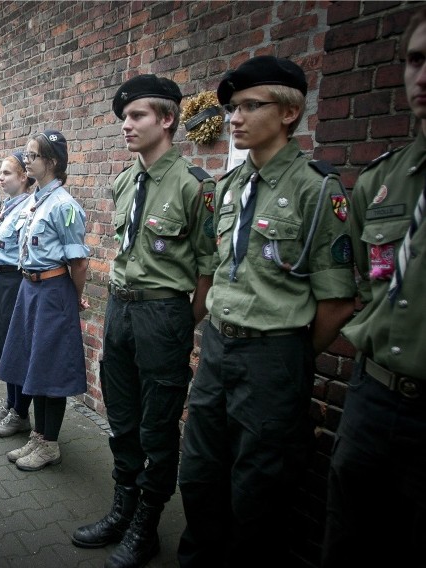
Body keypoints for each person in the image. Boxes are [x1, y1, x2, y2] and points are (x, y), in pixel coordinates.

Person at [177, 57, 357, 567]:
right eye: (232, 107)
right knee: (199, 471)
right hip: (217, 345)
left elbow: (338, 300)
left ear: (289, 112)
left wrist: (287, 349)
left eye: (250, 106)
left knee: (259, 487)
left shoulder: (317, 189)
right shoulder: (229, 186)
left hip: (274, 356)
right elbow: (216, 267)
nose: (235, 117)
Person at [72, 75, 216, 567]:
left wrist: (176, 320)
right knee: (123, 419)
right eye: (124, 118)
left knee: (158, 427)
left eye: (137, 116)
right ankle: (122, 507)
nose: (126, 125)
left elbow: (206, 272)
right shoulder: (126, 179)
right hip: (121, 308)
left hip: (162, 313)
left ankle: (146, 525)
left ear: (168, 119)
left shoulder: (195, 187)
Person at [322, 10, 426, 567]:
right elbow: (365, 277)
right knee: (350, 540)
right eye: (415, 59)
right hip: (374, 395)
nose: (422, 76)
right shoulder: (379, 182)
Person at [0, 130, 90, 472]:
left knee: (50, 369)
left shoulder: (64, 205)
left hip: (53, 291)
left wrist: (73, 299)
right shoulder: (35, 199)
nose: (26, 159)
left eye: (33, 155)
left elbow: (79, 262)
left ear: (51, 162)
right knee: (34, 365)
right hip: (31, 289)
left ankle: (50, 444)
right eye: (26, 154)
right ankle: (38, 434)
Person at [0, 151, 35, 437]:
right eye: (1, 173)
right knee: (4, 344)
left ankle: (20, 412)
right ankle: (11, 403)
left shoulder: (28, 209)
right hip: (2, 278)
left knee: (17, 347)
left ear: (24, 177)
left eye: (7, 173)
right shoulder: (10, 205)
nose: (0, 177)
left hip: (15, 280)